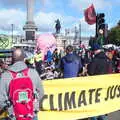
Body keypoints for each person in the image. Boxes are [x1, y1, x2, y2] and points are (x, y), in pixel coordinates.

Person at [0, 48, 44, 120]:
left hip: (13, 116)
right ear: (24, 58)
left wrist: (10, 110)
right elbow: (41, 93)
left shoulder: (5, 75)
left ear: (12, 59)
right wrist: (35, 106)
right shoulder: (33, 73)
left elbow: (1, 99)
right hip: (31, 114)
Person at [87, 44, 108, 120]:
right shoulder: (107, 59)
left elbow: (91, 72)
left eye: (93, 51)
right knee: (103, 102)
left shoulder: (95, 60)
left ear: (96, 51)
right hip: (105, 84)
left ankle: (95, 117)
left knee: (95, 102)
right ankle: (103, 117)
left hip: (95, 84)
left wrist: (89, 66)